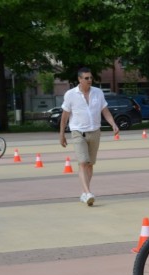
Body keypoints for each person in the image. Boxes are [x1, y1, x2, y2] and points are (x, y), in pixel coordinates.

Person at [59, 67, 120, 206]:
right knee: (82, 162)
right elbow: (65, 116)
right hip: (78, 132)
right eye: (86, 78)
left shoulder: (98, 93)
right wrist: (62, 134)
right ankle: (87, 193)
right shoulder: (70, 94)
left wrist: (113, 124)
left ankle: (84, 193)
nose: (90, 80)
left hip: (95, 132)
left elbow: (105, 110)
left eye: (91, 78)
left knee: (90, 164)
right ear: (80, 79)